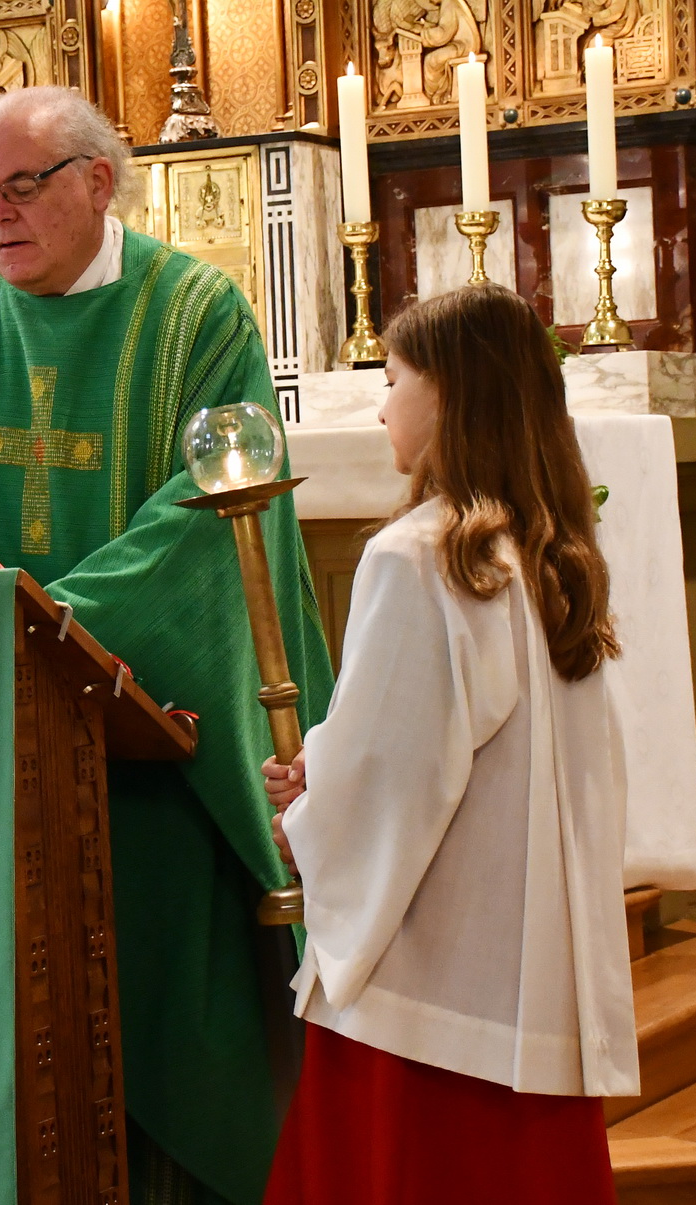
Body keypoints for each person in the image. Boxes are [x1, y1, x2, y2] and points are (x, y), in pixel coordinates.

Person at [0, 86, 334, 1204]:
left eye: (19, 188)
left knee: (162, 1014)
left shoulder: (199, 317)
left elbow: (216, 507)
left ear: (98, 180)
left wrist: (35, 626)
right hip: (4, 754)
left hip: (152, 747)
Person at [262, 284, 639, 1204]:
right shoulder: (547, 552)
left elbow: (392, 781)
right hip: (523, 993)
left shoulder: (419, 555)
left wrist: (307, 810)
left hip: (423, 1007)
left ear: (453, 394)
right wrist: (336, 774)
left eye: (395, 378)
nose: (382, 402)